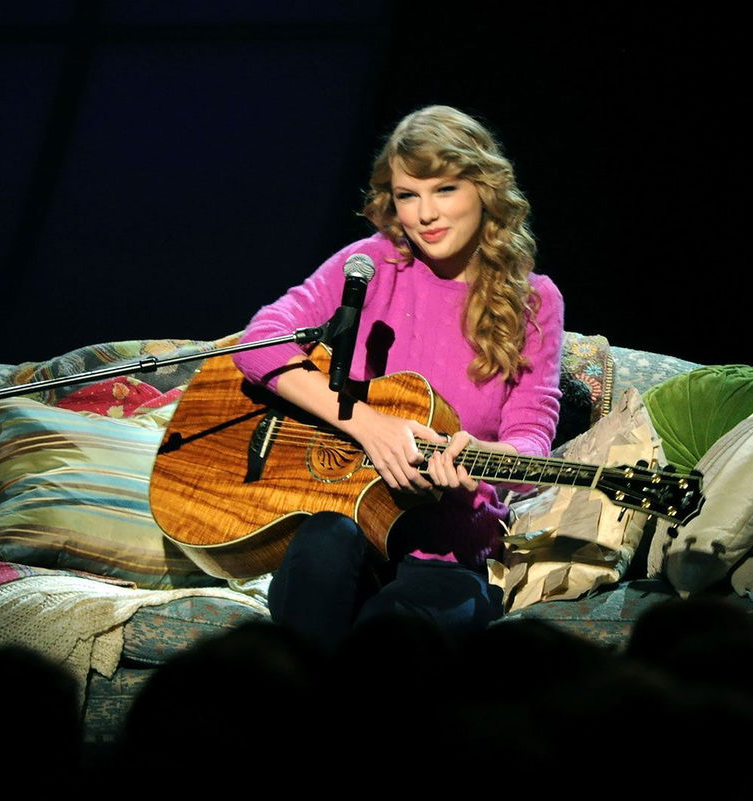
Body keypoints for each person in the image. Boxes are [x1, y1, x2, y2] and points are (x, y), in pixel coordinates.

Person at [232, 105, 564, 647]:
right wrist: (368, 425)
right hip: (343, 520)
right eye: (409, 195)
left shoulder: (533, 302)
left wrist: (478, 457)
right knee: (324, 549)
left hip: (447, 547)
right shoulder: (371, 263)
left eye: (445, 190)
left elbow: (530, 444)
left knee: (394, 642)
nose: (426, 214)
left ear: (485, 190)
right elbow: (258, 344)